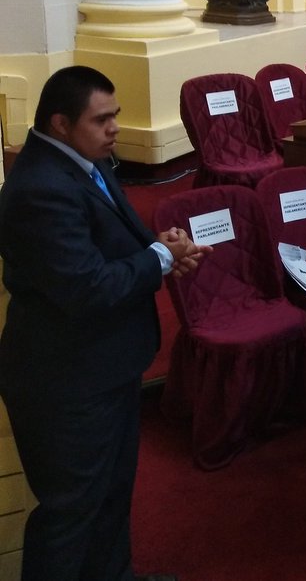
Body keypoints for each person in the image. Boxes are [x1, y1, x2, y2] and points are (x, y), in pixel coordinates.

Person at [0, 66, 211, 581]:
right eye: (102, 119)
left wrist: (161, 246)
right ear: (60, 123)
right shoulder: (40, 189)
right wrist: (158, 258)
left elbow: (112, 238)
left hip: (106, 364)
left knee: (112, 492)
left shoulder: (85, 161)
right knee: (70, 512)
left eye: (115, 115)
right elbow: (86, 288)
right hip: (65, 381)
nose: (115, 127)